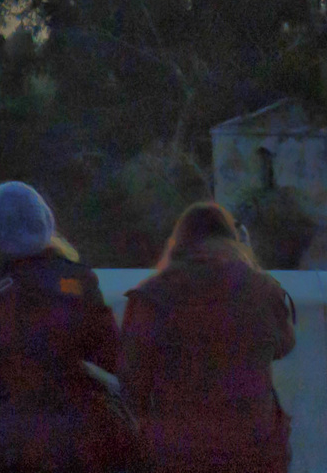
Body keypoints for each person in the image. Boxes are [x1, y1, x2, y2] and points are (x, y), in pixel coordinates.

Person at [0, 181, 132, 473]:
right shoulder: (79, 280)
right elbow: (114, 358)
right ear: (46, 224)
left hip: (4, 441)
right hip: (75, 436)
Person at [119, 201, 296, 473]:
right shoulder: (262, 290)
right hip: (256, 452)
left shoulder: (152, 297)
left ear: (178, 243)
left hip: (180, 456)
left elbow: (133, 382)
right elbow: (284, 345)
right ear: (233, 241)